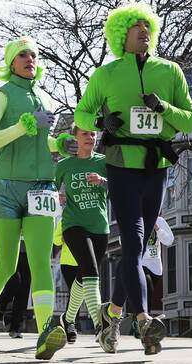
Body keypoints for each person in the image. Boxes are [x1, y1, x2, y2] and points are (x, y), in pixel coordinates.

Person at [73, 3, 192, 355]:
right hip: (121, 163)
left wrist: (164, 109)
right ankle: (143, 320)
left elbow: (190, 120)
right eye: (135, 27)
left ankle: (111, 314)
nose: (144, 32)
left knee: (139, 248)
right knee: (133, 239)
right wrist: (101, 123)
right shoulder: (107, 73)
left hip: (155, 164)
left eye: (148, 27)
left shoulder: (170, 70)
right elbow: (82, 111)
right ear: (120, 35)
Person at [0, 35, 77, 360]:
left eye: (33, 54)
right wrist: (23, 125)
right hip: (6, 188)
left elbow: (39, 142)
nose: (30, 59)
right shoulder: (2, 95)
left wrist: (57, 145)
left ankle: (46, 331)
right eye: (23, 55)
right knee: (5, 264)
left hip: (42, 187)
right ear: (11, 62)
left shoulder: (45, 97)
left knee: (41, 262)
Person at [54, 127, 108, 346]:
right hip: (73, 224)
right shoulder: (64, 165)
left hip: (100, 226)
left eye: (93, 134)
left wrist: (103, 181)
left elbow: (121, 189)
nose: (90, 138)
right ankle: (101, 326)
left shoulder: (104, 161)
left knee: (81, 275)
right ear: (75, 138)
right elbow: (49, 189)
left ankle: (67, 319)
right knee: (91, 272)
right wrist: (55, 196)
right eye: (85, 134)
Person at [131, 214, 174, 337]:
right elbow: (122, 240)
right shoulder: (135, 220)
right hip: (140, 262)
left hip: (155, 266)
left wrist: (157, 230)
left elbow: (170, 240)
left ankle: (138, 320)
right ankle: (143, 322)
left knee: (147, 293)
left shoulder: (159, 221)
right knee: (147, 287)